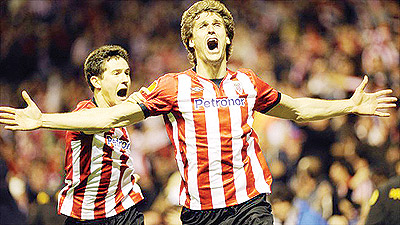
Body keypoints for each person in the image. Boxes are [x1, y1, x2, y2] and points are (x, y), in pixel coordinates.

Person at [0, 0, 397, 224]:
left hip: (250, 205)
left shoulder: (247, 82)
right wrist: (43, 120)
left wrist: (350, 104)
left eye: (217, 25)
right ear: (191, 40)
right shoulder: (172, 87)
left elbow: (297, 110)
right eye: (202, 25)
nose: (211, 29)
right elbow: (110, 117)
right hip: (199, 214)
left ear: (226, 37)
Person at [18, 45, 146, 225]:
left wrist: (123, 179)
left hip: (125, 211)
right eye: (116, 73)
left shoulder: (122, 120)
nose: (125, 79)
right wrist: (42, 120)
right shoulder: (85, 112)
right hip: (88, 216)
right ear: (96, 81)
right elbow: (100, 121)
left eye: (127, 73)